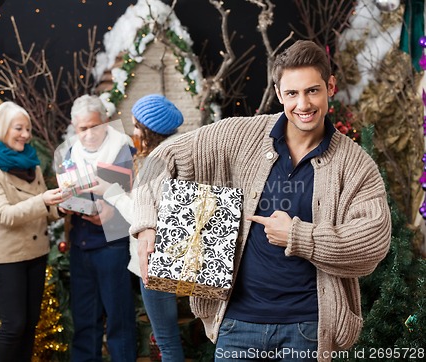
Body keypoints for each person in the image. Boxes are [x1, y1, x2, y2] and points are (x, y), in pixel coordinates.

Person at [130, 40, 391, 361]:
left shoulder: (354, 164)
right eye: (292, 94)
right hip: (237, 324)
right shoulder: (242, 135)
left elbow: (372, 245)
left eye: (312, 91)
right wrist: (146, 225)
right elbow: (160, 158)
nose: (303, 104)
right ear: (279, 94)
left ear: (330, 87)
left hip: (308, 328)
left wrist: (298, 237)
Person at [92, 94, 186, 361]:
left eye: (136, 126)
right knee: (168, 341)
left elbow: (144, 217)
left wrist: (109, 191)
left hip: (154, 261)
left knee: (166, 343)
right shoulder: (176, 154)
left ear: (149, 129)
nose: (133, 133)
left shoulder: (157, 163)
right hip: (168, 259)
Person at [0, 101, 68, 362]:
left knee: (29, 326)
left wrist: (62, 209)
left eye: (27, 129)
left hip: (35, 255)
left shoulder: (31, 165)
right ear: (2, 128)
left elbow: (43, 210)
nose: (26, 135)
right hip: (7, 258)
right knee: (14, 326)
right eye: (19, 128)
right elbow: (4, 215)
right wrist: (44, 201)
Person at [63, 94, 137, 362]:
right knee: (84, 322)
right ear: (74, 126)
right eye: (83, 128)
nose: (90, 134)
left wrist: (112, 214)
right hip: (81, 246)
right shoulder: (70, 152)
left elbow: (137, 198)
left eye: (95, 126)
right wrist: (65, 203)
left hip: (113, 246)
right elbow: (67, 188)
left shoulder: (123, 148)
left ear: (105, 121)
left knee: (119, 321)